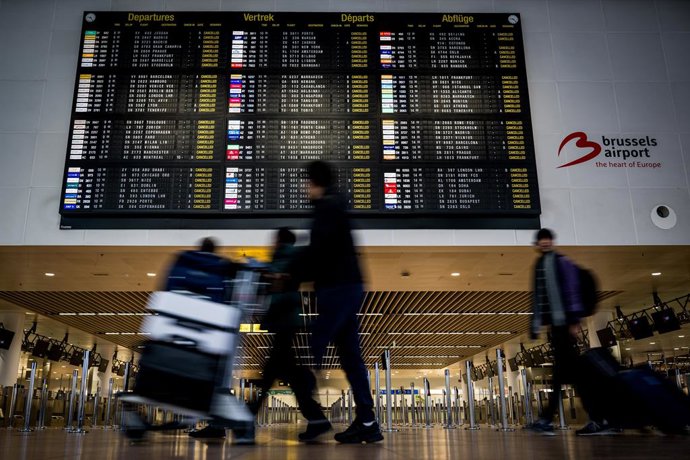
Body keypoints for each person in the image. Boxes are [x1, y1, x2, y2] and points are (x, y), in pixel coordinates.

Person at [290, 160, 383, 444]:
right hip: (347, 287)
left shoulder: (327, 208)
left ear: (314, 183)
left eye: (307, 183)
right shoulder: (334, 206)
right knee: (351, 357)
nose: (306, 189)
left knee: (314, 347)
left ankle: (316, 418)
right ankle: (367, 421)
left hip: (338, 289)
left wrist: (291, 274)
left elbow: (318, 251)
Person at [528, 228, 617, 436]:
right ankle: (594, 418)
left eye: (547, 239)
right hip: (556, 326)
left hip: (564, 324)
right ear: (537, 244)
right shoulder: (540, 265)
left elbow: (571, 290)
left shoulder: (560, 262)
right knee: (569, 375)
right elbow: (538, 297)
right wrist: (534, 324)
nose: (544, 243)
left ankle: (555, 419)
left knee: (568, 375)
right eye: (541, 240)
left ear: (551, 241)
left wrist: (575, 320)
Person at [251, 227, 331, 441]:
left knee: (272, 372)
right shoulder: (281, 257)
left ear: (280, 240)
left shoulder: (289, 255)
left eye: (274, 239)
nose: (272, 243)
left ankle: (245, 420)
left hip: (285, 318)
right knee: (285, 372)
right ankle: (317, 419)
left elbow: (288, 278)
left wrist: (271, 274)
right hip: (284, 319)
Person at [171, 238, 254, 444]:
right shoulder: (224, 267)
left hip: (204, 331)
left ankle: (240, 424)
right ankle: (220, 426)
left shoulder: (189, 265)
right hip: (224, 332)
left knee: (214, 382)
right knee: (218, 381)